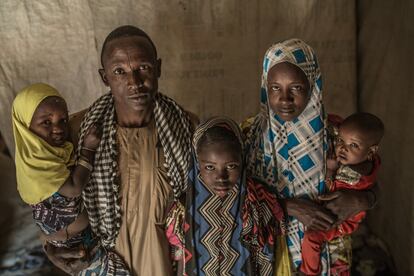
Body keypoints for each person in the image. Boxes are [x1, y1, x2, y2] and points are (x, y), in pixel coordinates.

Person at [43, 25, 195, 275]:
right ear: (105, 78)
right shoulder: (76, 131)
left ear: (158, 68)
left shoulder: (187, 128)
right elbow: (46, 200)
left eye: (142, 68)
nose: (134, 82)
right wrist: (53, 248)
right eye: (119, 71)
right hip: (99, 265)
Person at [244, 39, 378, 275]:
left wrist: (362, 200)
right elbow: (234, 201)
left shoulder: (337, 136)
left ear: (313, 83)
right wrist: (291, 207)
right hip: (268, 254)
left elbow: (368, 180)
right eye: (275, 87)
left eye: (296, 87)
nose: (285, 99)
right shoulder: (247, 137)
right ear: (265, 86)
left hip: (327, 253)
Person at [12, 83, 131, 275]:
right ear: (26, 126)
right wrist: (88, 150)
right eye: (47, 123)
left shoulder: (57, 150)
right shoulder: (36, 164)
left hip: (85, 239)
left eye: (63, 120)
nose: (58, 129)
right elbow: (74, 188)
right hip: (77, 245)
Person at [165, 117, 285, 275]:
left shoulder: (258, 200)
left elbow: (271, 254)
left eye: (231, 166)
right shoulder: (182, 208)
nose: (221, 177)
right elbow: (182, 264)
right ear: (196, 163)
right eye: (210, 167)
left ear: (242, 160)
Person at [300, 112, 384, 275]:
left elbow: (331, 192)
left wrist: (330, 170)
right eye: (340, 140)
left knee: (312, 237)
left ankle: (309, 272)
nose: (342, 148)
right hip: (335, 213)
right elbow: (335, 122)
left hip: (339, 220)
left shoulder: (355, 175)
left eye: (354, 145)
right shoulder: (367, 161)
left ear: (371, 151)